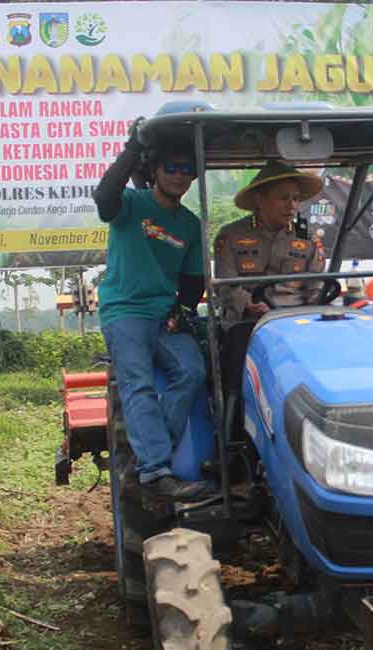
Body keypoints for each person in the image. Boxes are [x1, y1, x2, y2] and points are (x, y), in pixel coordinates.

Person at [94, 123, 212, 502]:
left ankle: (153, 447)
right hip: (124, 312)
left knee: (193, 370)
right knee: (138, 384)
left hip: (163, 315)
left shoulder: (190, 225)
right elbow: (104, 196)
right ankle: (155, 471)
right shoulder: (130, 206)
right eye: (172, 168)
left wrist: (183, 309)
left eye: (187, 170)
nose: (180, 176)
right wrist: (132, 147)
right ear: (155, 171)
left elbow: (193, 280)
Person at [213, 162, 326, 322]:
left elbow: (317, 283)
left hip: (296, 319)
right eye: (283, 198)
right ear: (260, 201)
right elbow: (223, 284)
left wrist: (317, 299)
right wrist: (247, 303)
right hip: (247, 321)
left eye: (296, 198)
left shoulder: (308, 237)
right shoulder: (231, 235)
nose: (292, 205)